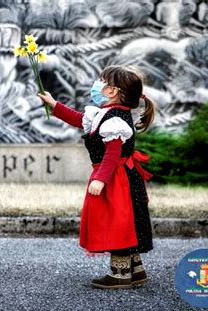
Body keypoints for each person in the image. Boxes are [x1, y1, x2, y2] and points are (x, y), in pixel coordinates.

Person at [38, 65, 156, 289]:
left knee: (117, 221)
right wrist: (54, 105)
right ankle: (136, 270)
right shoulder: (104, 113)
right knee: (126, 220)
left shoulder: (115, 121)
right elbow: (79, 118)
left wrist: (100, 179)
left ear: (112, 91)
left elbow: (113, 153)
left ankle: (120, 275)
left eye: (101, 80)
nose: (97, 84)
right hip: (117, 174)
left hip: (116, 177)